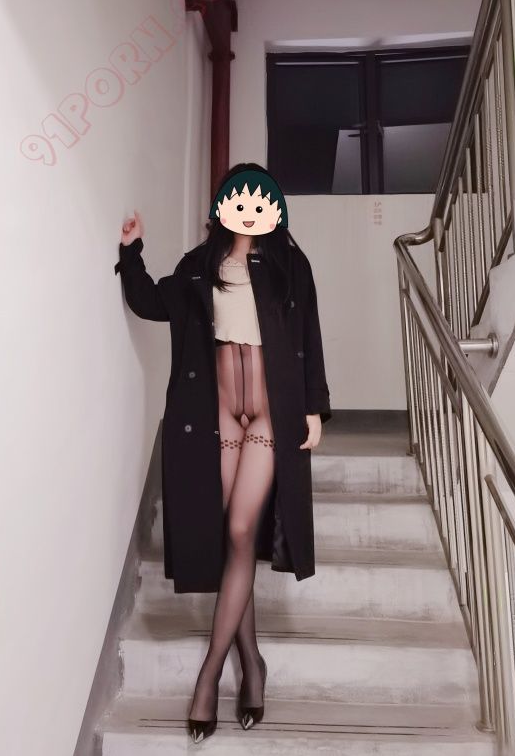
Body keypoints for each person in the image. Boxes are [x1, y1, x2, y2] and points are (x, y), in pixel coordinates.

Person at [116, 162, 331, 742]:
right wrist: (131, 252)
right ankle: (253, 664)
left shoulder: (291, 265)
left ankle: (210, 674)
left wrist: (314, 408)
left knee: (240, 529)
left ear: (275, 211)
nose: (251, 213)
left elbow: (309, 335)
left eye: (261, 204)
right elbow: (151, 303)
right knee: (228, 536)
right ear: (223, 208)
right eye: (242, 203)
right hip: (217, 412)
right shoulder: (200, 265)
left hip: (269, 411)